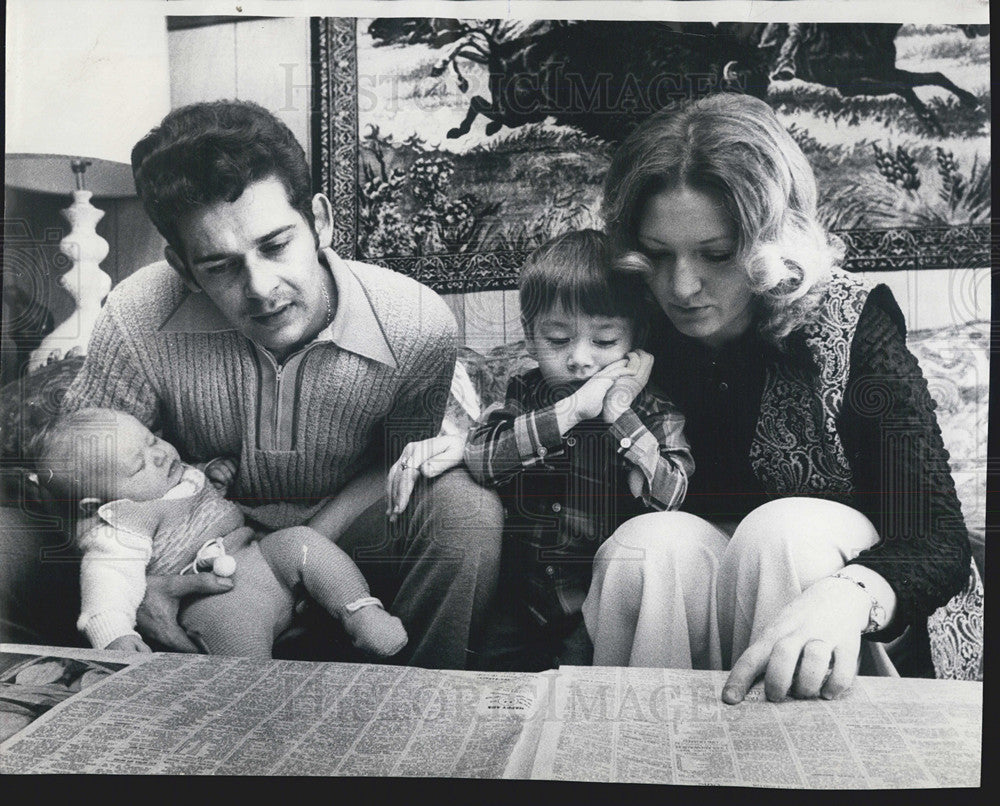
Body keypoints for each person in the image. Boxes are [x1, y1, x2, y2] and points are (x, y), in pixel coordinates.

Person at [55, 99, 502, 669]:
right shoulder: (135, 316)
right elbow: (80, 478)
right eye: (220, 266)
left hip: (349, 524)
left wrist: (309, 543)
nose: (262, 287)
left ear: (320, 220)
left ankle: (422, 702)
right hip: (194, 540)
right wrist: (140, 590)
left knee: (465, 508)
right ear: (182, 268)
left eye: (275, 245)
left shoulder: (418, 322)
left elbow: (400, 464)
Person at [584, 92, 971, 702]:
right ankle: (647, 758)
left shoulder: (849, 321)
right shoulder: (627, 323)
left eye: (716, 254)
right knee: (650, 547)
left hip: (852, 599)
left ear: (775, 241)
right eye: (658, 256)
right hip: (696, 589)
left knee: (784, 533)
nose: (681, 288)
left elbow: (938, 536)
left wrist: (850, 594)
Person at [462, 230, 694, 669]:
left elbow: (668, 497)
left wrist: (618, 412)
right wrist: (569, 411)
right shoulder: (525, 392)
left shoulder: (653, 409)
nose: (580, 360)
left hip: (595, 611)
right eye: (558, 339)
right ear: (530, 339)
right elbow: (479, 458)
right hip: (516, 605)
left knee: (577, 706)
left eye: (604, 342)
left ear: (635, 340)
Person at [30, 408, 407, 658]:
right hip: (209, 597)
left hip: (260, 555)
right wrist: (113, 635)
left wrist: (212, 473)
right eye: (137, 465)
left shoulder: (171, 476)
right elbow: (107, 582)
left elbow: (191, 489)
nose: (159, 455)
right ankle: (258, 698)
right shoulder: (121, 523)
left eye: (151, 439)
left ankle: (360, 614)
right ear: (96, 504)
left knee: (302, 542)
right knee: (235, 629)